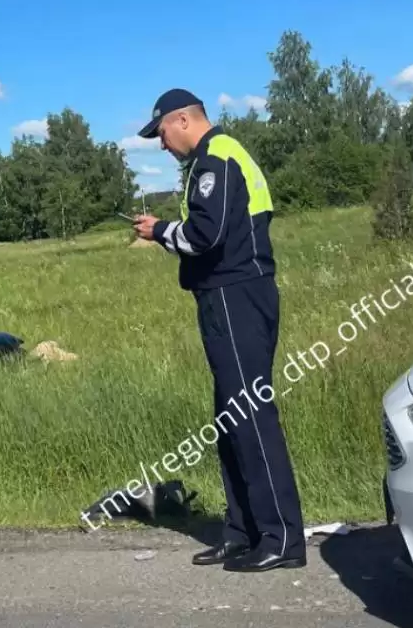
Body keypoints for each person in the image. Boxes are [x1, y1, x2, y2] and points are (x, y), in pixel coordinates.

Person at [131, 88, 306, 572]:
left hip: (236, 296)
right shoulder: (215, 159)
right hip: (226, 297)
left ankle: (281, 539)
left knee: (250, 416)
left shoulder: (216, 159)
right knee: (230, 420)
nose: (161, 144)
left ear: (182, 119)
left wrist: (159, 231)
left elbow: (205, 236)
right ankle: (243, 532)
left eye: (161, 133)